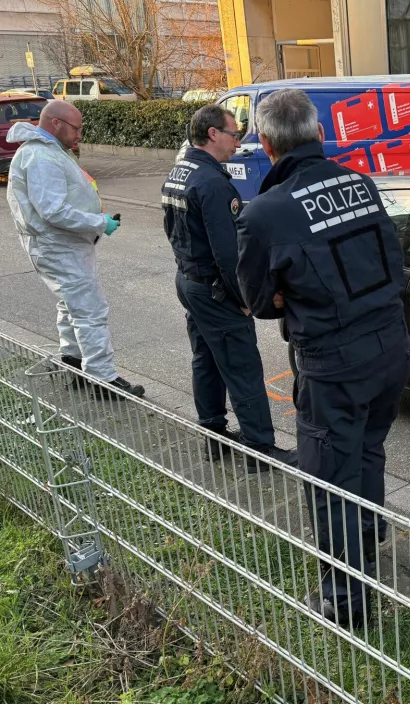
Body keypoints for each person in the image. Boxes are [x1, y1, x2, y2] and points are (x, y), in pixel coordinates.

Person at [235, 89, 409, 628]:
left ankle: (347, 601)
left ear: (265, 144)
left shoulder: (266, 212)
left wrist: (290, 292)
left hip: (334, 365)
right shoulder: (357, 182)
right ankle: (367, 539)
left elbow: (257, 299)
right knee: (368, 452)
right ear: (316, 132)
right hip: (391, 348)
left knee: (329, 478)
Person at [162, 104, 296, 468]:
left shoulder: (180, 172)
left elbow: (173, 231)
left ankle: (214, 436)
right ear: (213, 134)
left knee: (206, 360)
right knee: (243, 368)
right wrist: (246, 299)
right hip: (215, 288)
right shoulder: (211, 182)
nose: (239, 141)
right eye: (235, 134)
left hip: (189, 282)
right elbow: (228, 253)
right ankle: (260, 450)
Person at [5, 100, 144, 397]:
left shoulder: (47, 152)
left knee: (71, 305)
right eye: (76, 128)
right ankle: (102, 380)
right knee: (90, 311)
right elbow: (53, 210)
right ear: (55, 123)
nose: (80, 134)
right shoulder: (42, 157)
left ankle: (74, 362)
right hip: (59, 247)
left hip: (60, 246)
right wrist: (98, 222)